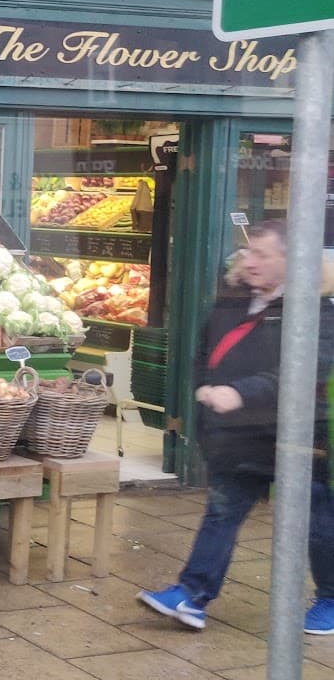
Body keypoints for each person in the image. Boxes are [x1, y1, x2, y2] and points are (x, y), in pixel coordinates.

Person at [139, 220, 334, 634]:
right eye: (249, 252)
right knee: (222, 512)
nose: (251, 261)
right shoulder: (232, 299)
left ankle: (332, 599)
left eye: (263, 254)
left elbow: (301, 371)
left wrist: (239, 392)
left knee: (317, 519)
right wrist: (207, 391)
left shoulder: (317, 311)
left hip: (299, 440)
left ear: (290, 260)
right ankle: (192, 596)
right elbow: (204, 352)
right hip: (240, 438)